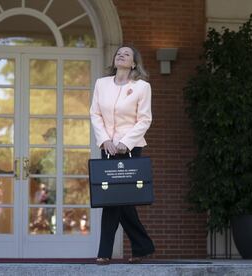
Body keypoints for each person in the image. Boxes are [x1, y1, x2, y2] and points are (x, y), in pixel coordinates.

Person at [89, 45, 155, 265]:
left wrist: (125, 143)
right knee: (120, 199)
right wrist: (105, 140)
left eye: (126, 54)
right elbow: (95, 114)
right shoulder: (102, 84)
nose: (121, 55)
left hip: (131, 147)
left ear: (134, 63)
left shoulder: (142, 87)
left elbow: (144, 119)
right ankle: (142, 246)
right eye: (119, 53)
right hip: (107, 146)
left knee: (116, 198)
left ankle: (104, 252)